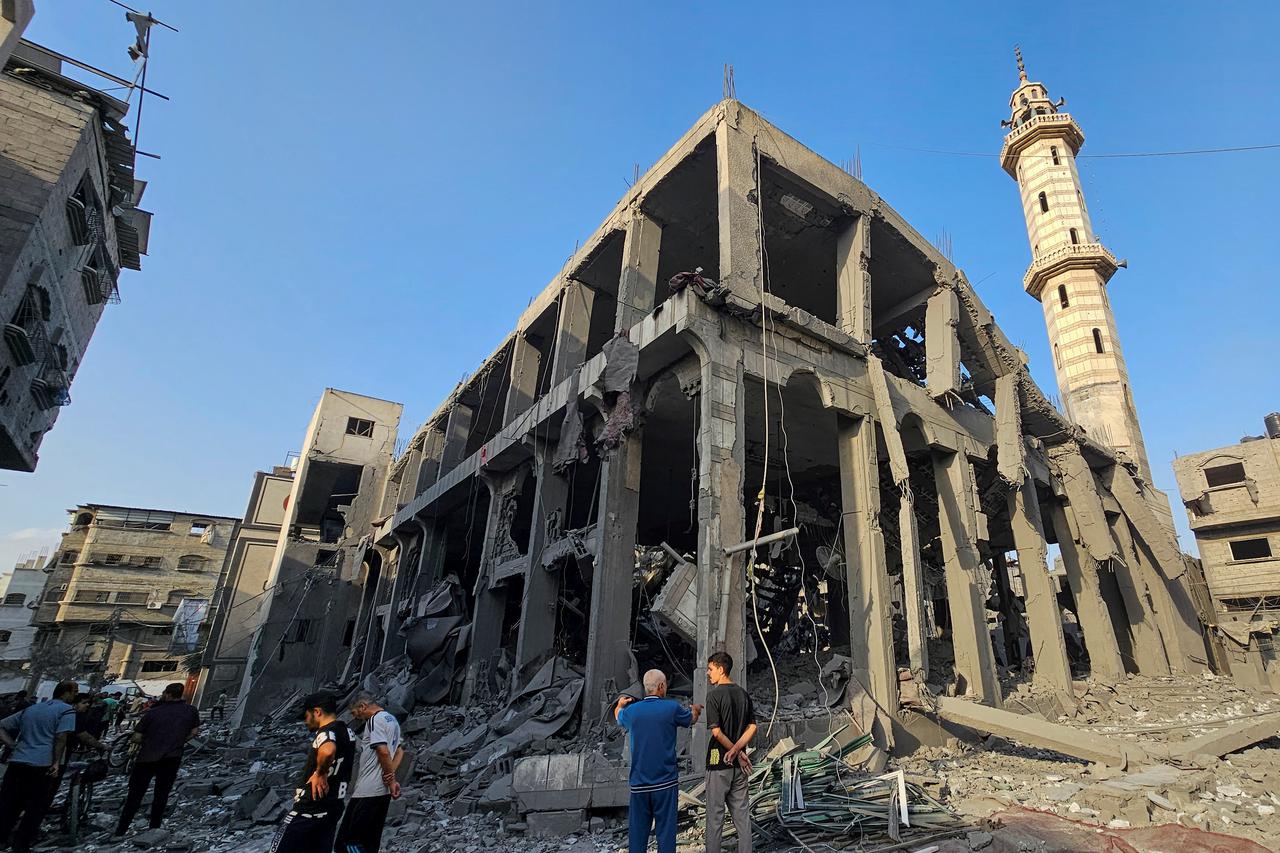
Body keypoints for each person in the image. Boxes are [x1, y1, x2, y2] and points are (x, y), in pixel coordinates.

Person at [614, 669, 702, 853]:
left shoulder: (632, 712)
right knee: (666, 833)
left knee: (638, 836)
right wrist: (695, 710)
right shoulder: (672, 708)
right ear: (661, 686)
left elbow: (618, 716)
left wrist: (620, 704)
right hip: (665, 783)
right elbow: (692, 719)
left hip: (639, 785)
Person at [113, 682, 201, 837]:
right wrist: (179, 741)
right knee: (162, 794)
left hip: (147, 757)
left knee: (135, 795)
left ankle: (122, 829)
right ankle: (154, 828)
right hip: (172, 757)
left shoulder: (154, 712)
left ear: (167, 694)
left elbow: (137, 736)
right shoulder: (191, 711)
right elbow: (194, 732)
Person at [270, 691, 354, 853]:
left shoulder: (326, 732)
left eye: (306, 716)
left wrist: (320, 773)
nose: (305, 721)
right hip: (331, 810)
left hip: (308, 811)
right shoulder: (347, 732)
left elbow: (328, 750)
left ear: (317, 712)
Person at [0, 680, 77, 853]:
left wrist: (13, 746)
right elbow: (61, 737)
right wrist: (56, 762)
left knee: (8, 803)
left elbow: (1, 726)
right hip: (41, 764)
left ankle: (2, 838)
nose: (76, 695)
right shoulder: (66, 710)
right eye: (75, 691)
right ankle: (21, 845)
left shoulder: (32, 708)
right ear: (67, 692)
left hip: (18, 761)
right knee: (35, 807)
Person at [333, 692, 403, 853]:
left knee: (348, 843)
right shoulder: (391, 720)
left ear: (363, 706)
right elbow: (399, 752)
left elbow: (383, 751)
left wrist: (391, 780)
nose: (355, 716)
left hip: (368, 791)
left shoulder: (374, 720)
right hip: (381, 792)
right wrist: (390, 779)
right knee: (370, 842)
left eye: (354, 712)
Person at [703, 652, 757, 853]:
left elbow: (716, 732)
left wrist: (732, 751)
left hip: (718, 762)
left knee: (715, 818)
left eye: (710, 669)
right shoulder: (743, 694)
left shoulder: (714, 696)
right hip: (739, 766)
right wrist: (739, 752)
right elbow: (752, 727)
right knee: (742, 817)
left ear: (720, 669)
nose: (708, 673)